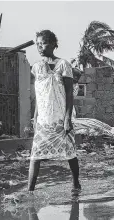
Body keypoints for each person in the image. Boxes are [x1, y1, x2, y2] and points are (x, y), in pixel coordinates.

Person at [28, 30, 81, 193]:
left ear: (52, 43)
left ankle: (76, 184)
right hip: (44, 120)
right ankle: (30, 190)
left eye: (42, 43)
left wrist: (67, 119)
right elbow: (39, 94)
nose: (39, 46)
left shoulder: (63, 65)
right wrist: (35, 117)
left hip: (60, 119)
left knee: (70, 153)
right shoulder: (36, 67)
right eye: (37, 44)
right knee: (35, 155)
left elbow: (69, 94)